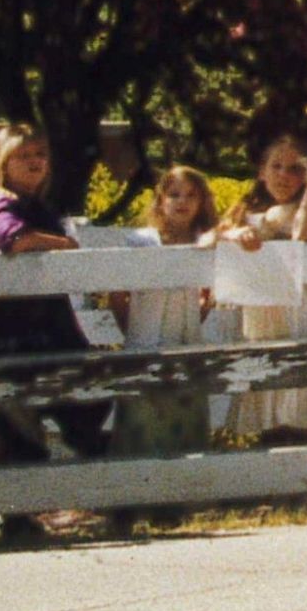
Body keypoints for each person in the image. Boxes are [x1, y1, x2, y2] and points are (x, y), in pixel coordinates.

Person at [0, 125, 110, 543]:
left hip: (49, 331)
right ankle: (14, 518)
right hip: (17, 338)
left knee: (89, 403)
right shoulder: (2, 203)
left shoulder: (37, 205)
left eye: (40, 154)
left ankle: (107, 498)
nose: (35, 161)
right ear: (2, 162)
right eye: (24, 155)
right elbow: (13, 240)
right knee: (24, 428)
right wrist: (67, 246)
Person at [214, 135, 307, 443]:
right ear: (261, 172)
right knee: (271, 412)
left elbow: (302, 233)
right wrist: (234, 234)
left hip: (302, 318)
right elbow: (211, 237)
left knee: (304, 406)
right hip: (264, 320)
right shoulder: (246, 212)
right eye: (276, 167)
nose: (283, 176)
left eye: (294, 169)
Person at [109, 166, 218, 462]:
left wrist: (199, 310)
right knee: (143, 424)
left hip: (187, 346)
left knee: (185, 427)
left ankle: (185, 486)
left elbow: (206, 298)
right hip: (144, 343)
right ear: (160, 200)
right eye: (174, 194)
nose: (182, 201)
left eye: (191, 195)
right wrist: (133, 331)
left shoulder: (204, 243)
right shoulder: (141, 242)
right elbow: (117, 295)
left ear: (202, 202)